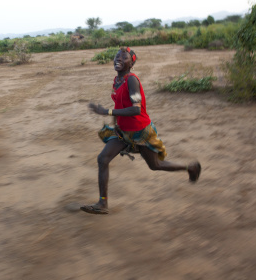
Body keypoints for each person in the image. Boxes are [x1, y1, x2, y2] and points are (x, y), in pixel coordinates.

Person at [80, 46, 201, 215]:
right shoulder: (117, 80)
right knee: (102, 159)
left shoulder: (132, 80)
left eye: (124, 58)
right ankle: (102, 203)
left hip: (140, 132)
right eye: (117, 57)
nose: (119, 59)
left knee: (155, 165)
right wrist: (116, 126)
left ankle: (191, 167)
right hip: (123, 132)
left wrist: (106, 112)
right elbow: (119, 105)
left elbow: (136, 109)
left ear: (131, 63)